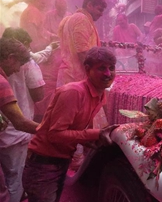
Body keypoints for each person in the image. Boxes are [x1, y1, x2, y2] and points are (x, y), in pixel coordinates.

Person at [22, 47, 119, 202]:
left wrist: (86, 139)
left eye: (111, 68)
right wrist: (94, 134)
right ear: (87, 70)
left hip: (61, 161)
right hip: (43, 165)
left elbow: (71, 130)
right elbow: (54, 135)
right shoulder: (74, 92)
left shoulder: (99, 94)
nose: (108, 74)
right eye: (102, 68)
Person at [1, 28, 45, 202]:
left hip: (7, 134)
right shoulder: (2, 81)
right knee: (13, 180)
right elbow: (20, 121)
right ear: (11, 57)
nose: (18, 68)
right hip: (14, 136)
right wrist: (49, 131)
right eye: (18, 63)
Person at [57, 0, 107, 87]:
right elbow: (83, 52)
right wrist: (95, 77)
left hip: (71, 77)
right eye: (99, 10)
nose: (101, 14)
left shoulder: (75, 18)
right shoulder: (81, 19)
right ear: (89, 5)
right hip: (75, 79)